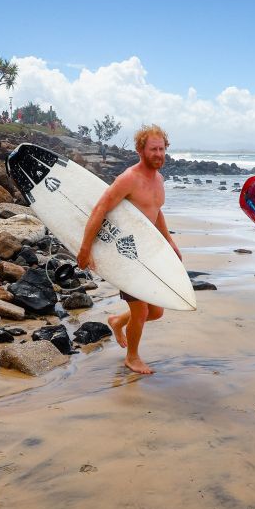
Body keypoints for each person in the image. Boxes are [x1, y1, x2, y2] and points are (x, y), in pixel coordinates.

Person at [77, 124, 181, 374]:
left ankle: (116, 321)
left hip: (148, 254)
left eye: (162, 149)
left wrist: (170, 242)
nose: (159, 154)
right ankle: (132, 357)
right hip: (125, 253)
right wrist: (85, 249)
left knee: (155, 311)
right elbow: (100, 209)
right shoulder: (128, 179)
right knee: (141, 309)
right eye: (153, 149)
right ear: (140, 150)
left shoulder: (159, 179)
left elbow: (156, 211)